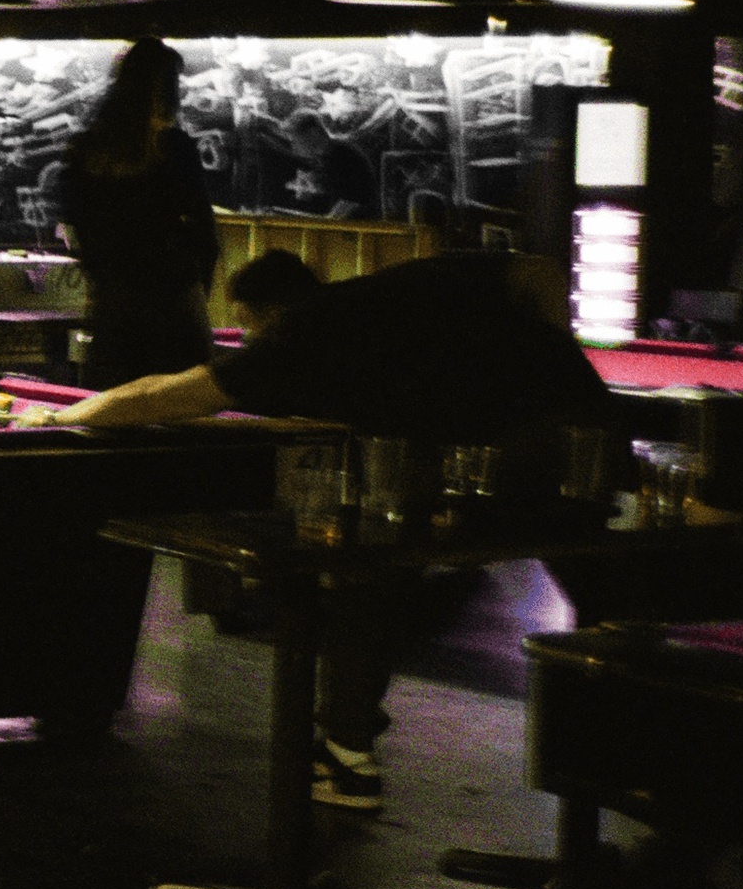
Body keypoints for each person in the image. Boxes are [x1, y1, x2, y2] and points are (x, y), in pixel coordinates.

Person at [47, 250, 612, 809]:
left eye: (248, 327)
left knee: (368, 572)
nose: (248, 340)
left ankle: (348, 758)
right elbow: (537, 269)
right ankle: (630, 765)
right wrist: (552, 352)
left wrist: (63, 415)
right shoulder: (385, 295)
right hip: (594, 437)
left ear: (272, 313)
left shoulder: (297, 339)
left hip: (503, 457)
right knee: (607, 603)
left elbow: (169, 395)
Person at [57, 38, 219, 388]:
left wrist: (99, 282)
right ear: (170, 89)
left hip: (113, 303)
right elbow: (206, 234)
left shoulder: (85, 149)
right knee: (182, 411)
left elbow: (76, 228)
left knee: (113, 407)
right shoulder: (173, 147)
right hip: (172, 299)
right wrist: (196, 291)